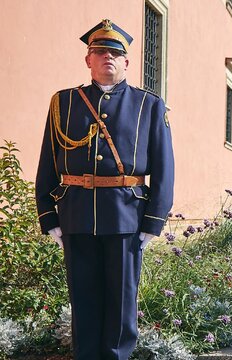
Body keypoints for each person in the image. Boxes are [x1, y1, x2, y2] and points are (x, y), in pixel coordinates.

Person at [35, 19, 174, 359]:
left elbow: (164, 168)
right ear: (88, 60)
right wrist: (48, 215)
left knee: (122, 302)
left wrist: (153, 222)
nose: (107, 57)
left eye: (116, 52)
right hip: (76, 215)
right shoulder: (63, 103)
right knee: (83, 298)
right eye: (100, 51)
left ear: (127, 61)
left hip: (126, 217)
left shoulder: (149, 106)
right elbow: (48, 162)